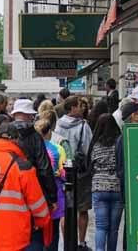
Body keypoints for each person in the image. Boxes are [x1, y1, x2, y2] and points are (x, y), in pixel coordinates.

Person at [0, 123, 51, 251]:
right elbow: (38, 205)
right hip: (14, 236)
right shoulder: (23, 167)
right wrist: (41, 222)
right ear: (17, 140)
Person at [10, 98, 58, 251]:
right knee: (34, 234)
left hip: (9, 192)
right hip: (33, 192)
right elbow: (44, 168)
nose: (31, 118)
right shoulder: (35, 136)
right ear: (26, 115)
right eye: (30, 115)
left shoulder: (3, 134)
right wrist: (52, 197)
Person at [54, 96, 94, 251]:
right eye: (79, 106)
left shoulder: (57, 125)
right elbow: (88, 148)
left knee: (65, 209)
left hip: (63, 171)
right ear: (71, 109)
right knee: (82, 209)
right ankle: (82, 242)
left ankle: (67, 242)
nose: (82, 108)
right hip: (81, 173)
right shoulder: (84, 126)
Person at [115, 100, 138, 251]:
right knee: (131, 229)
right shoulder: (126, 138)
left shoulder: (133, 136)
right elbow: (123, 171)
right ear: (135, 116)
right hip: (133, 195)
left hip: (137, 195)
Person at [89, 114, 123, 251]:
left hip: (99, 187)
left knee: (101, 226)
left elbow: (90, 165)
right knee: (113, 229)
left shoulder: (95, 145)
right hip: (117, 187)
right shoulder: (120, 143)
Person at [34, 119, 66, 251]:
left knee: (38, 230)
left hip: (37, 194)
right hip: (56, 192)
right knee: (54, 229)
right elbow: (65, 173)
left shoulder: (32, 150)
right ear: (49, 133)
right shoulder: (57, 149)